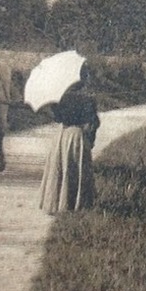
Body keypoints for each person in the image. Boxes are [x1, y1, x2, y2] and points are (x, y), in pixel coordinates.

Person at [38, 68, 100, 214]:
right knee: (76, 170)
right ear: (82, 81)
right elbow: (93, 123)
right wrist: (90, 140)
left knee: (60, 168)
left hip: (62, 135)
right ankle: (75, 204)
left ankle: (56, 203)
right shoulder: (89, 99)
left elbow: (57, 118)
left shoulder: (60, 98)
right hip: (77, 136)